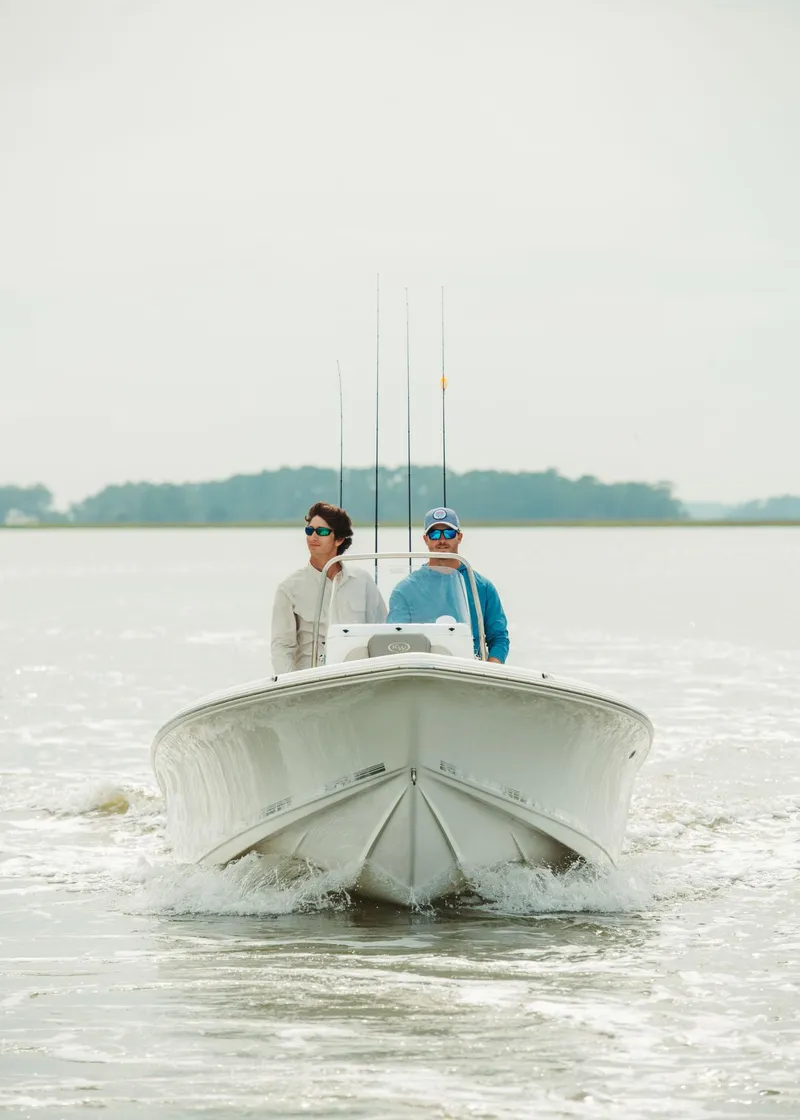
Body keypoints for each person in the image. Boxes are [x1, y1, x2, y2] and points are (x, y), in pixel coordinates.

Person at [271, 501, 387, 672]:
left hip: (358, 677)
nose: (313, 537)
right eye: (309, 531)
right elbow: (282, 647)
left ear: (339, 539)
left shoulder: (363, 581)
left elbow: (381, 632)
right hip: (312, 681)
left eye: (322, 531)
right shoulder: (289, 588)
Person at [387, 506, 509, 663]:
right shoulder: (404, 589)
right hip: (421, 671)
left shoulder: (483, 587)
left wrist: (491, 669)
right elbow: (396, 640)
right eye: (435, 534)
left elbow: (499, 638)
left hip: (471, 670)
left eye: (449, 533)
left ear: (459, 537)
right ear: (426, 539)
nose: (442, 540)